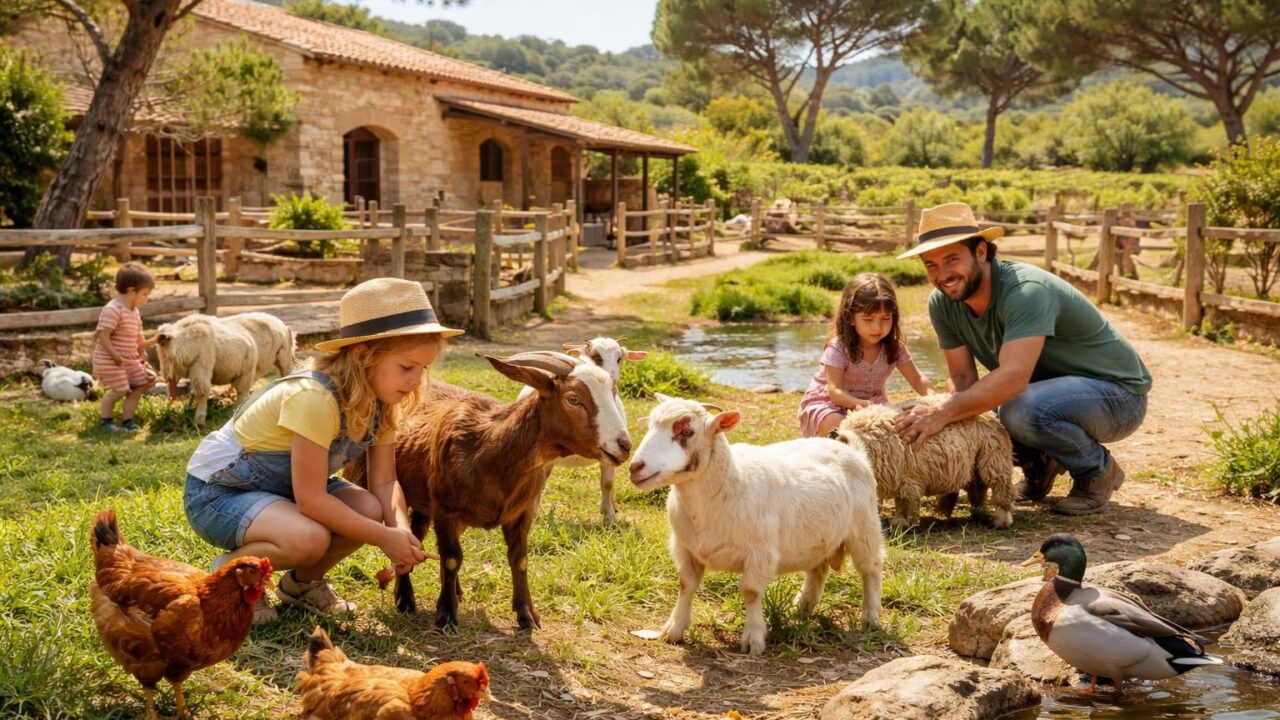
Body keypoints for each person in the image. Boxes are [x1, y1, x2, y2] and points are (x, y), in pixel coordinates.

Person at [183, 277, 464, 622]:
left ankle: (300, 584)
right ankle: (230, 572)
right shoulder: (314, 399)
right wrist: (382, 537)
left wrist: (400, 529)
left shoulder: (381, 405)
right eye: (407, 367)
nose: (417, 381)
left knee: (368, 507)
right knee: (310, 538)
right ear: (363, 357)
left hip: (280, 492)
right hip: (220, 493)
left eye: (423, 369)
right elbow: (312, 499)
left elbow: (385, 483)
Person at [893, 202, 1151, 516]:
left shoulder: (1025, 291)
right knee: (983, 410)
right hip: (1047, 394)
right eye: (930, 264)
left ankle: (1097, 471)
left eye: (951, 259)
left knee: (1014, 408)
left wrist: (941, 414)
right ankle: (1039, 466)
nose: (942, 274)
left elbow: (1014, 377)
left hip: (1118, 396)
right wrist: (941, 419)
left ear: (981, 252)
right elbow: (963, 380)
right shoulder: (943, 303)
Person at [798, 272, 934, 438]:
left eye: (885, 318)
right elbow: (835, 392)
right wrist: (861, 404)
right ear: (850, 318)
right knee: (841, 427)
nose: (877, 328)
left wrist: (935, 400)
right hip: (832, 405)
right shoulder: (839, 348)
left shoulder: (895, 348)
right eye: (868, 319)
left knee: (897, 427)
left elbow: (917, 379)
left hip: (872, 406)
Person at [93, 262, 158, 432]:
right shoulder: (113, 310)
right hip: (111, 359)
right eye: (144, 294)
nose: (146, 298)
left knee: (146, 381)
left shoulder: (134, 311)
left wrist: (146, 347)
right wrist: (114, 355)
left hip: (129, 360)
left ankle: (127, 420)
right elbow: (103, 335)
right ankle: (105, 421)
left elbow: (138, 337)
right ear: (131, 291)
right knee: (120, 389)